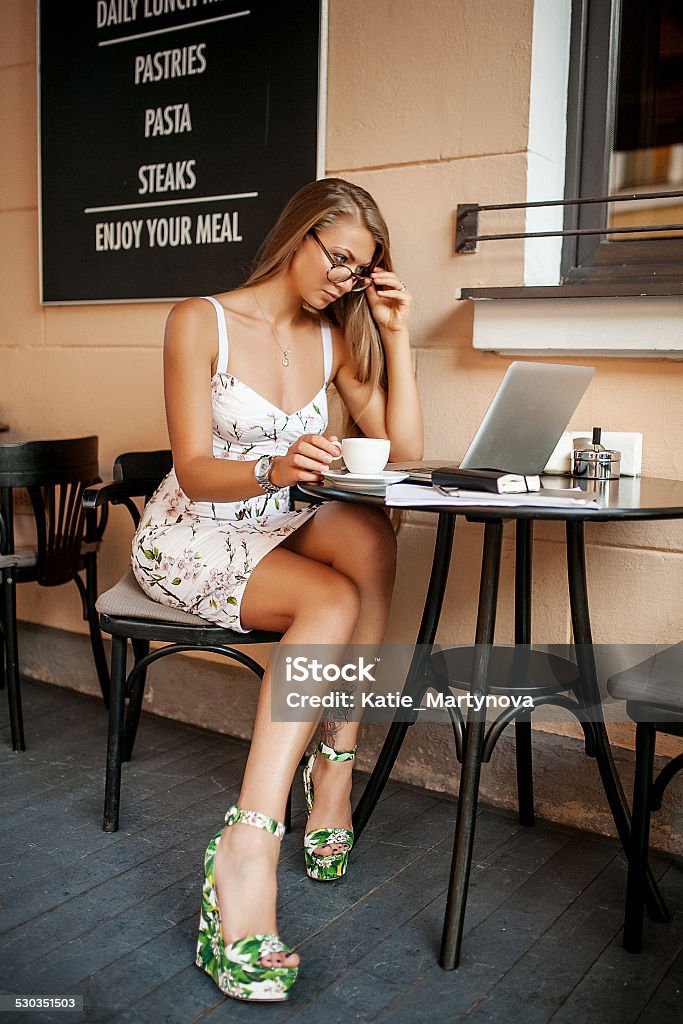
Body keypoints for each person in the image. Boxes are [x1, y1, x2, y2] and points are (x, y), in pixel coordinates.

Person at [131, 177, 423, 1002]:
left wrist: (395, 339)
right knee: (328, 600)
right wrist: (271, 464)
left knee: (369, 532)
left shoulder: (335, 338)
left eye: (359, 274)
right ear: (298, 236)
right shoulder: (200, 319)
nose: (344, 281)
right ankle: (248, 843)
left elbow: (402, 457)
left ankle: (336, 761)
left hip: (279, 518)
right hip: (196, 526)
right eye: (338, 261)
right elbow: (191, 466)